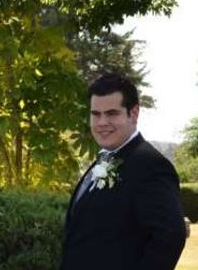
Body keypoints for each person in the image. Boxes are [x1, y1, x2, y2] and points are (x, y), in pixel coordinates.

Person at [61, 72, 186, 270]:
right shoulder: (104, 160)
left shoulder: (150, 165)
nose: (102, 122)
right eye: (95, 114)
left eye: (112, 113)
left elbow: (170, 237)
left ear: (134, 113)